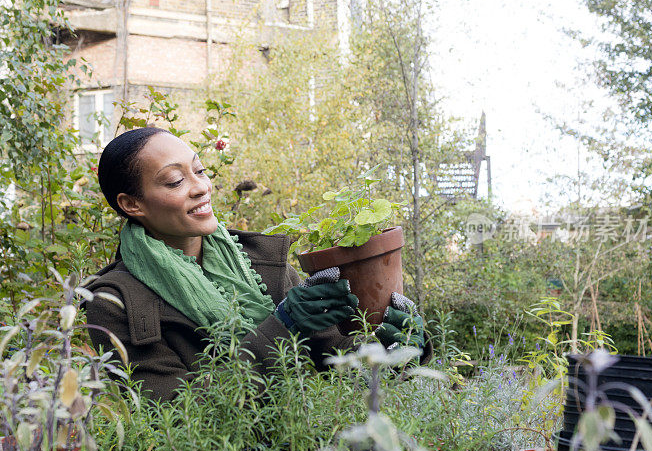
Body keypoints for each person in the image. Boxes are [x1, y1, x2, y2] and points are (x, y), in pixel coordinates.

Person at [84, 127, 428, 402]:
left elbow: (337, 361)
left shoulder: (260, 263)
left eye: (200, 170)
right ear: (131, 204)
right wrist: (282, 329)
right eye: (175, 181)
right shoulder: (113, 302)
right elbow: (175, 408)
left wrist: (394, 346)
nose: (201, 187)